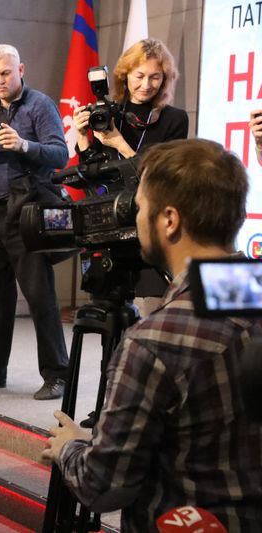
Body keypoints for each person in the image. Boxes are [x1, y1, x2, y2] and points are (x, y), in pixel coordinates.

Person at [43, 139, 262, 530]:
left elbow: (103, 485)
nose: (135, 219)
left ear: (170, 220)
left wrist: (70, 446)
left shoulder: (154, 341)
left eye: (139, 207)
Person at [0, 44, 69, 398]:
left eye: (6, 73)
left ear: (21, 69)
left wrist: (23, 145)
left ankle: (57, 374)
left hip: (27, 207)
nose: (0, 80)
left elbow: (60, 154)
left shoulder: (39, 105)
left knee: (39, 294)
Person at [74, 38, 188, 302]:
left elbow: (160, 176)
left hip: (150, 220)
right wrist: (82, 136)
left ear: (165, 79)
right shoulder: (106, 114)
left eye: (155, 77)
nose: (146, 85)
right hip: (109, 219)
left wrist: (119, 143)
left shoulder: (174, 119)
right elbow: (89, 173)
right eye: (139, 76)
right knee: (104, 307)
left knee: (149, 306)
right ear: (125, 75)